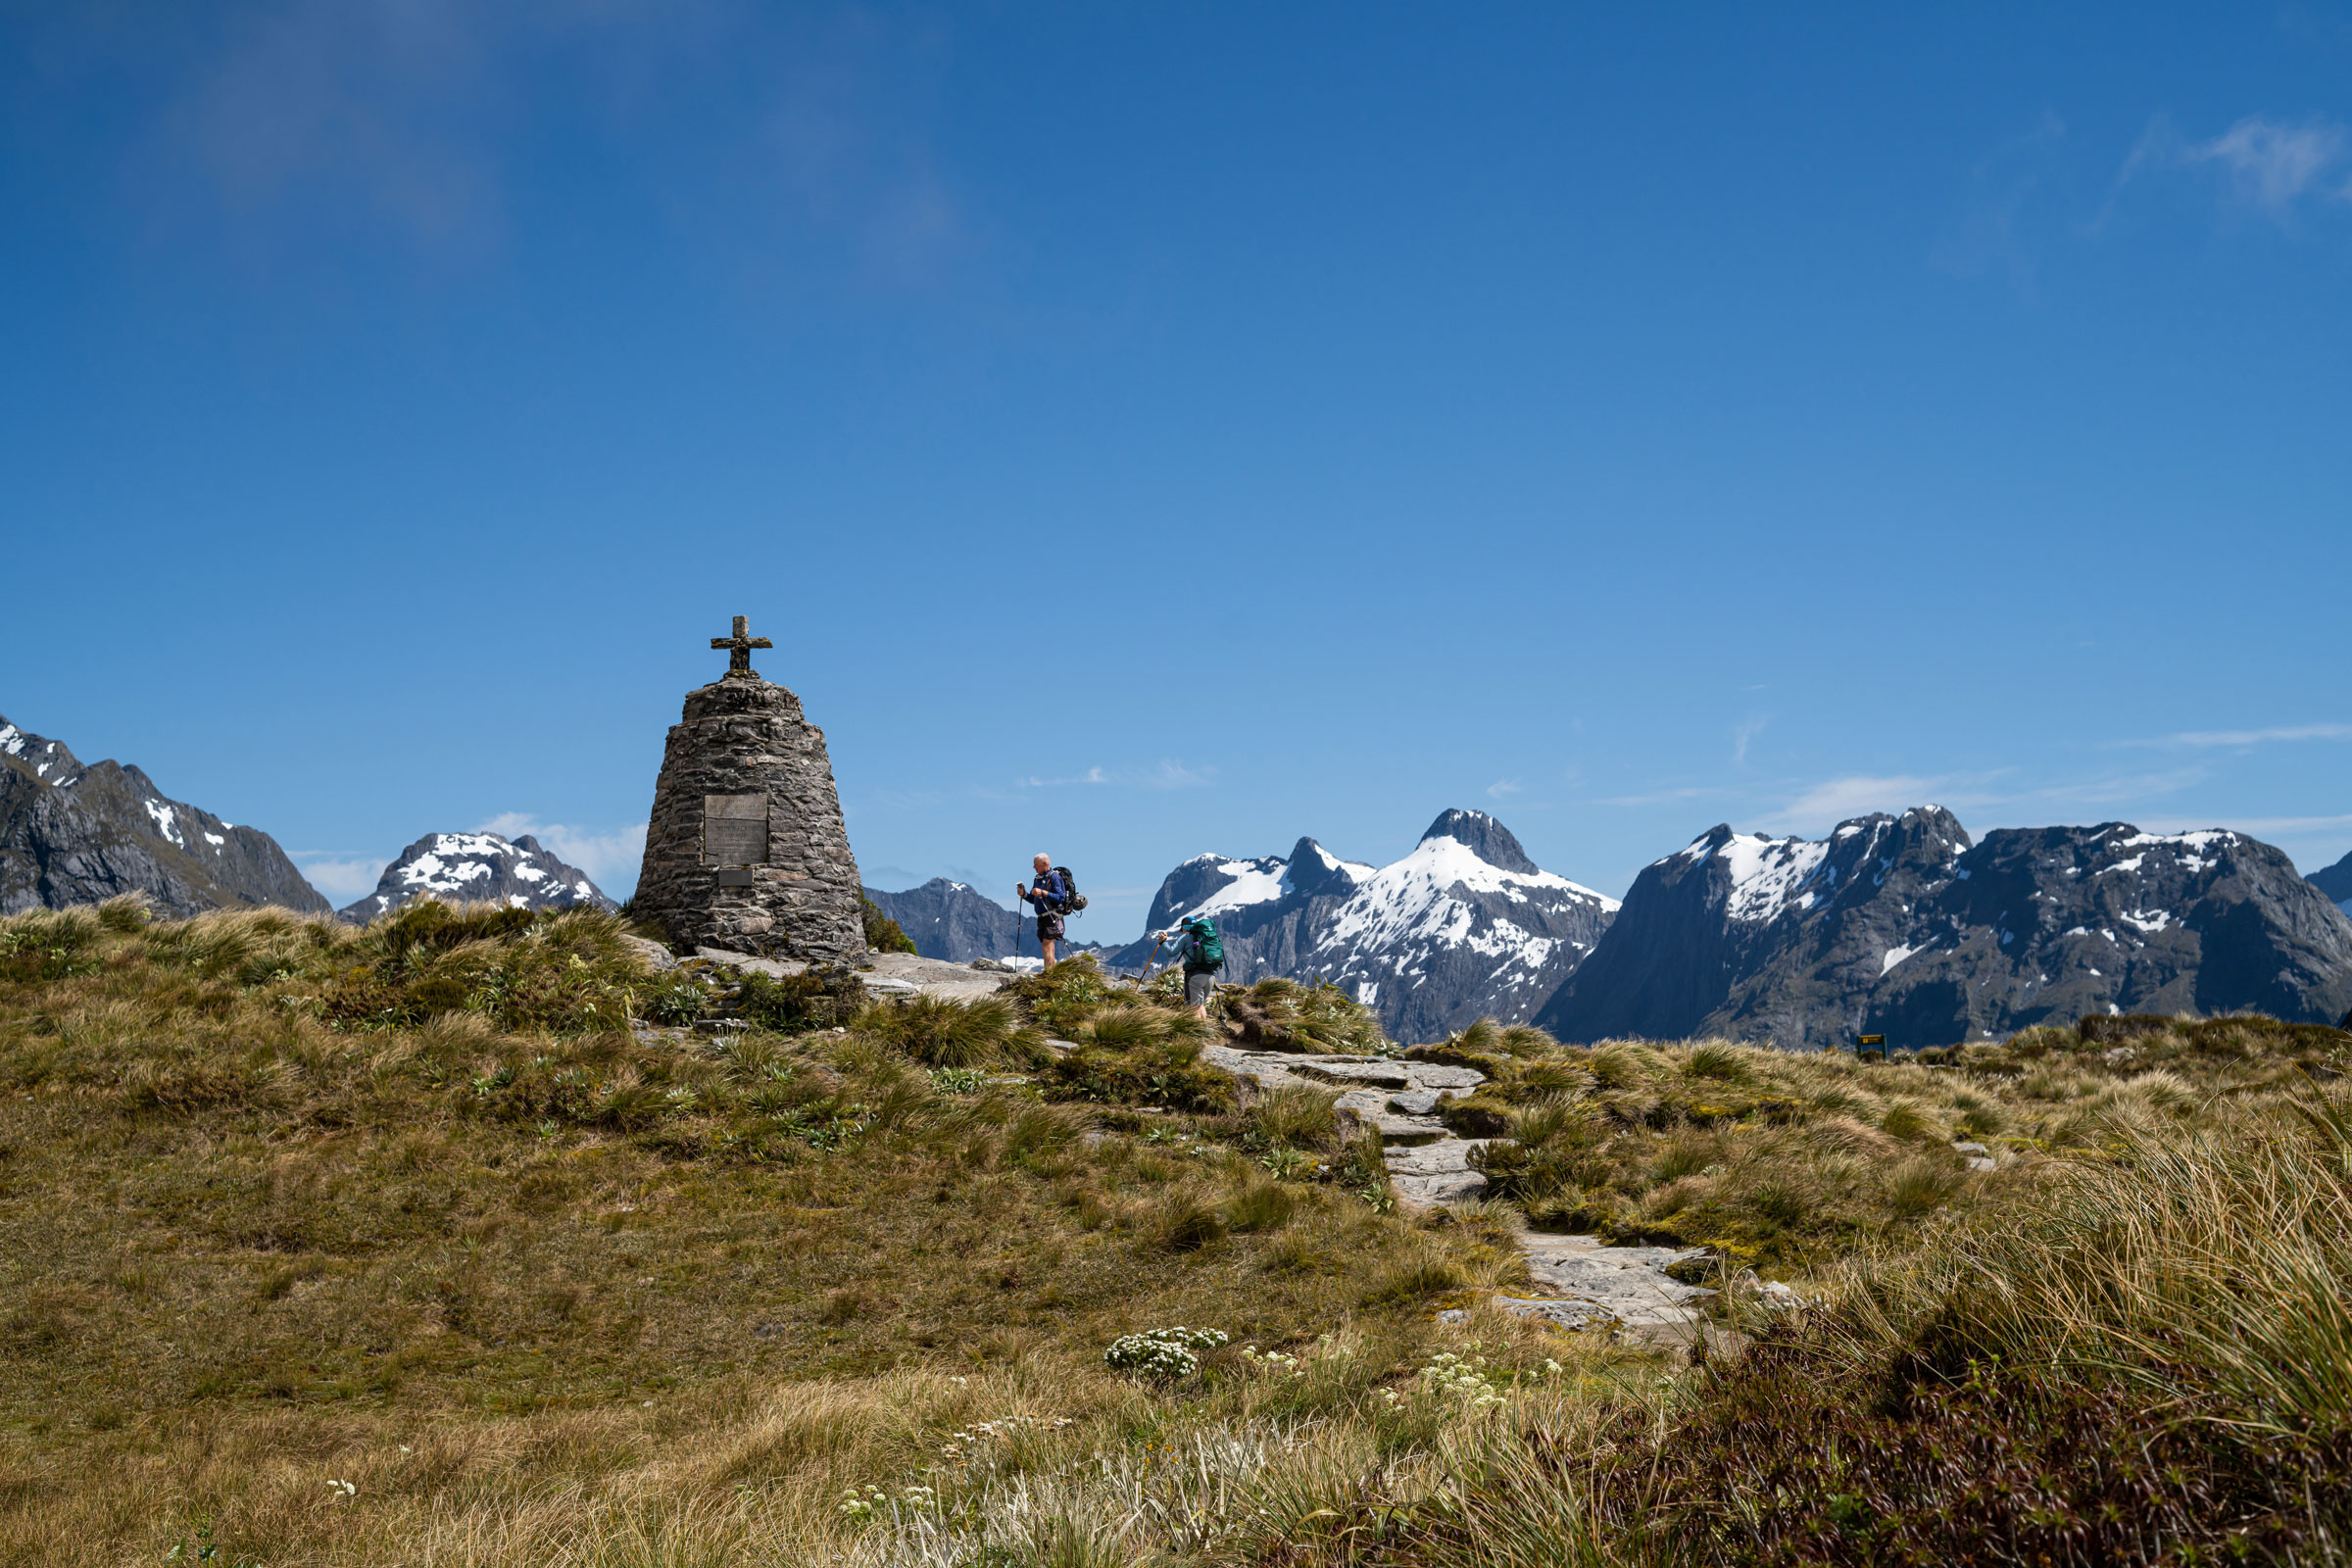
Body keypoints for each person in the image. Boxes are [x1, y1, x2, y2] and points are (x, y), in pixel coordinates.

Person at [1152, 913, 1223, 1020]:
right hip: (1210, 976)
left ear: (1184, 928)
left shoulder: (1186, 937)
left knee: (1193, 1008)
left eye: (1182, 929)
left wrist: (1163, 942)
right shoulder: (1205, 937)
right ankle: (1204, 1031)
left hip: (1195, 977)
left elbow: (1171, 952)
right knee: (1200, 1005)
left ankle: (1196, 1034)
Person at [1016, 854, 1069, 968]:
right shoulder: (1038, 878)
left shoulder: (1054, 877)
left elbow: (1061, 897)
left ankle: (1048, 973)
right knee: (1047, 946)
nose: (1033, 867)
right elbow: (1035, 899)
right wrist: (1024, 894)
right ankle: (1050, 972)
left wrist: (1043, 892)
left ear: (1044, 864)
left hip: (1053, 916)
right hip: (1042, 917)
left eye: (1036, 864)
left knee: (1047, 944)